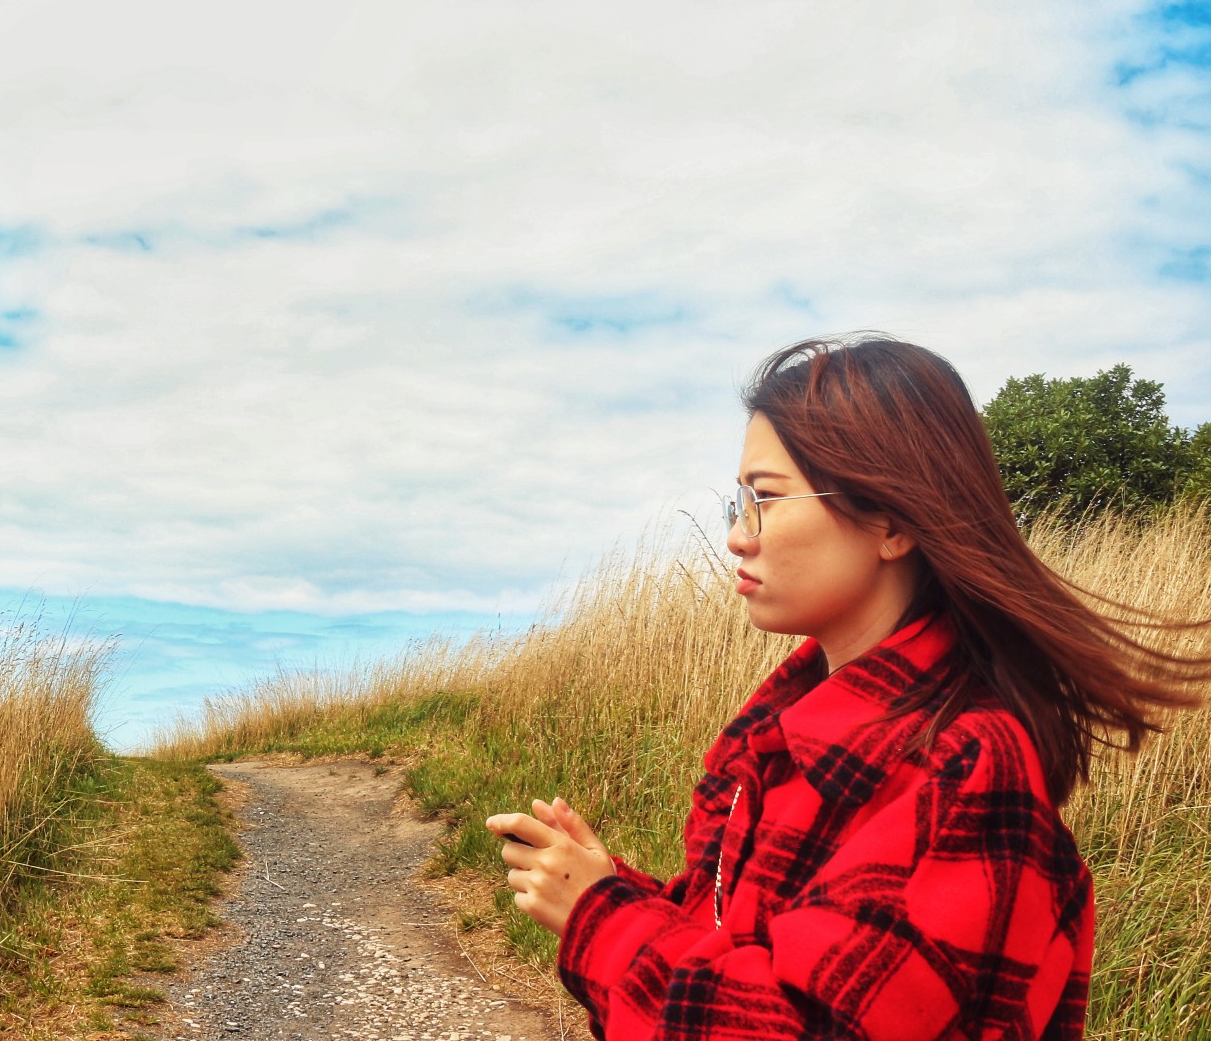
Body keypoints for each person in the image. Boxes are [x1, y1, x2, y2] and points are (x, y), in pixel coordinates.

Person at [486, 334, 1209, 1039]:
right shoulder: (769, 742)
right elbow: (741, 953)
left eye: (765, 499)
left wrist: (602, 917)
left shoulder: (968, 768)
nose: (738, 535)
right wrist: (611, 885)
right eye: (739, 502)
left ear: (891, 522)